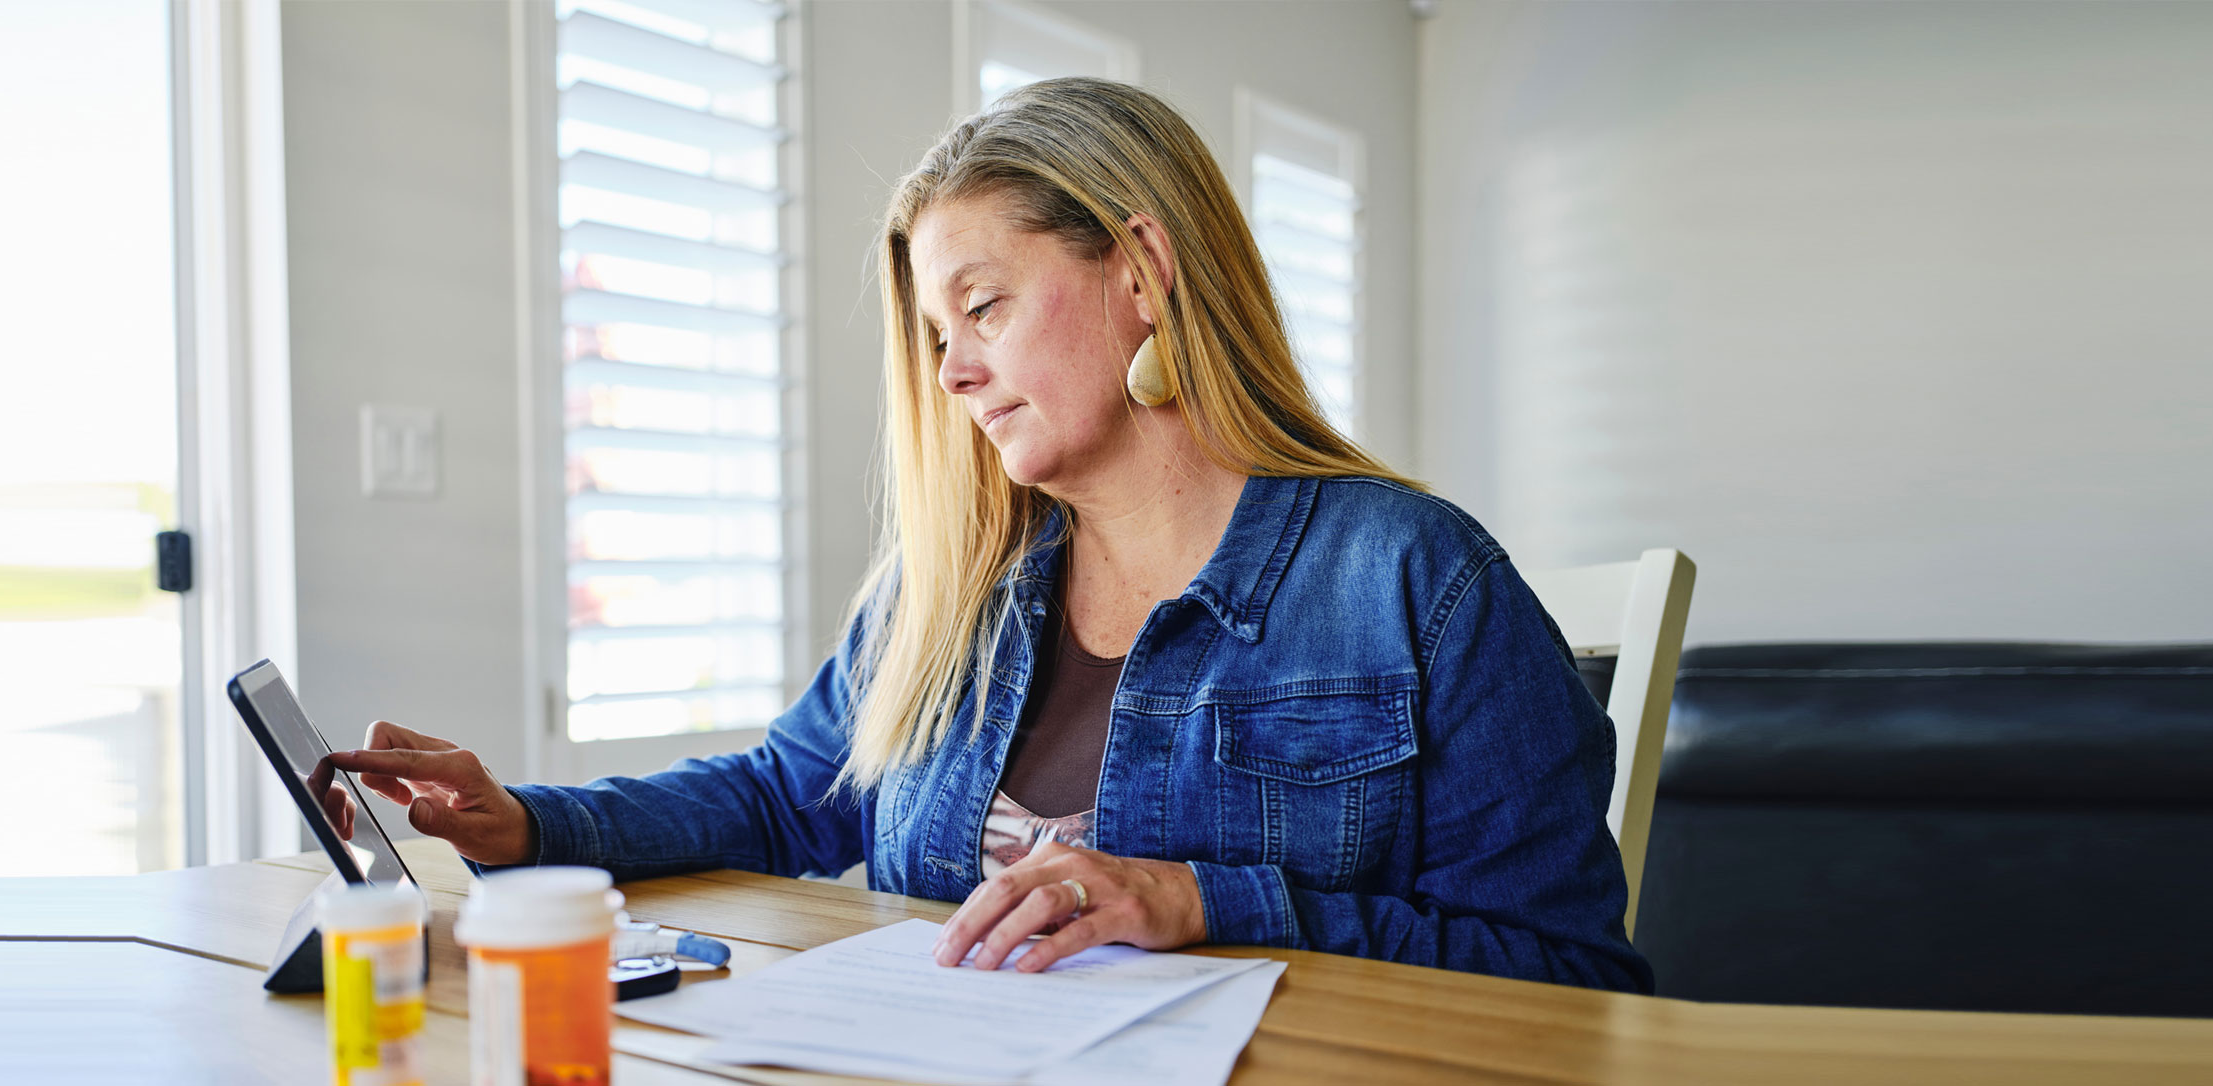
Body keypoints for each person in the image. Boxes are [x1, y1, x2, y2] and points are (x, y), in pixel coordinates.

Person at [323, 77, 1650, 992]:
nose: (953, 370)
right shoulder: (952, 591)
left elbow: (1573, 978)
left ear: (1143, 272)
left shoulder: (1421, 583)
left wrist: (1200, 900)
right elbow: (787, 794)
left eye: (987, 306)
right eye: (936, 331)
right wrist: (521, 822)